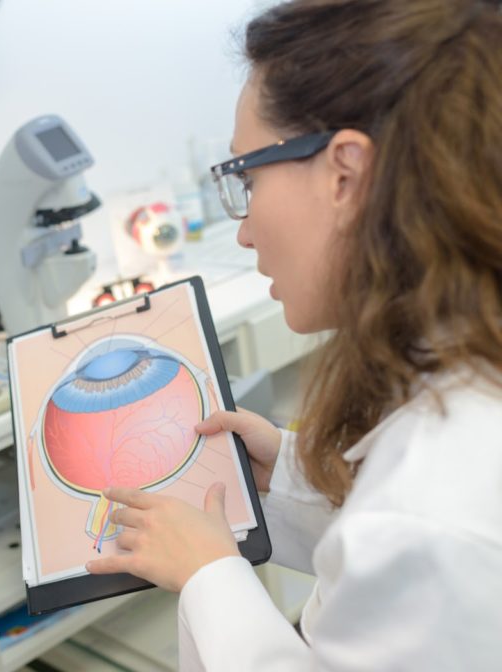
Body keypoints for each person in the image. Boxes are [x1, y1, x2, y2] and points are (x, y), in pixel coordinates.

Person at [86, 0, 502, 669]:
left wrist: (209, 575)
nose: (244, 229)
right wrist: (282, 472)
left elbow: (414, 540)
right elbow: (396, 577)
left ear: (346, 174)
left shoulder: (430, 507)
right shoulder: (468, 354)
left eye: (246, 178)